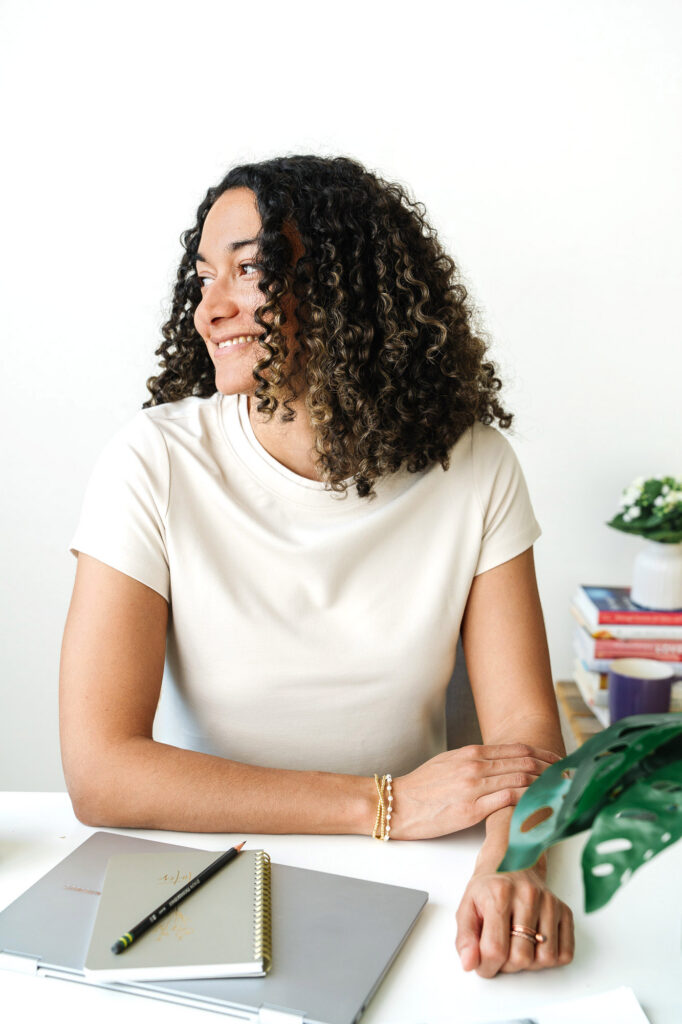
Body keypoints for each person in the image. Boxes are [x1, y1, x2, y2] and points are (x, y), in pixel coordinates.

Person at [59, 154, 574, 978]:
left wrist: (513, 865)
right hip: (213, 868)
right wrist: (386, 804)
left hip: (419, 871)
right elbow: (100, 771)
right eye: (203, 277)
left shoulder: (475, 466)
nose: (209, 308)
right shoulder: (153, 462)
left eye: (249, 270)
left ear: (349, 290)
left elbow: (523, 738)